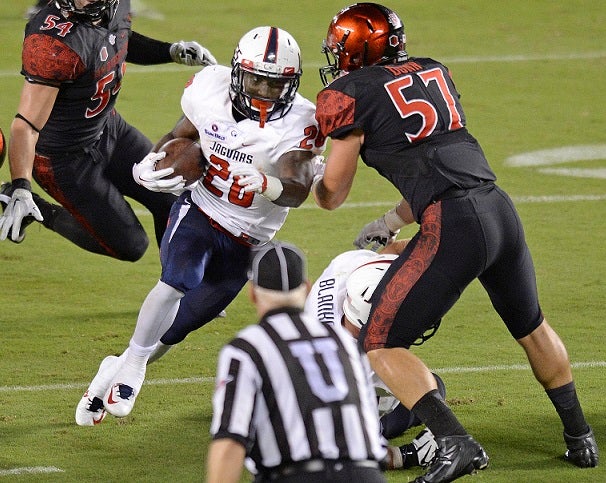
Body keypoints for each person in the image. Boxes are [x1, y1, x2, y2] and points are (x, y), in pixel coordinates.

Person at [311, 3, 598, 482]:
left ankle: (455, 442)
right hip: (497, 207)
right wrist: (390, 219)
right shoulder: (432, 71)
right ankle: (579, 437)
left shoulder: (349, 92)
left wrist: (311, 176)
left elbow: (332, 195)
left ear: (359, 51)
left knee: (379, 341)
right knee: (531, 326)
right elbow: (442, 160)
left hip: (453, 223)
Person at [74, 26, 326, 426]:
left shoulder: (301, 122)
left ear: (291, 85)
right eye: (256, 79)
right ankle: (135, 366)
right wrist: (149, 164)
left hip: (250, 236)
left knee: (178, 327)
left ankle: (115, 366)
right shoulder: (211, 90)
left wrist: (267, 183)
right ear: (237, 72)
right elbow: (179, 136)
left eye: (274, 84)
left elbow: (296, 191)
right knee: (177, 279)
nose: (262, 91)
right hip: (201, 210)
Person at [0, 0, 216, 257]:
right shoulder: (51, 42)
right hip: (63, 159)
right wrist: (21, 185)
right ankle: (36, 209)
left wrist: (168, 51)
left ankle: (174, 289)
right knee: (130, 245)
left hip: (109, 128)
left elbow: (117, 38)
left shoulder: (117, 7)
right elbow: (26, 125)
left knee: (170, 194)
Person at [207, 241, 387, 483]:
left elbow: (230, 441)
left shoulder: (248, 347)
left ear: (252, 293)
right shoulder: (343, 341)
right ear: (306, 287)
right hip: (367, 473)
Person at [304, 240, 446, 470]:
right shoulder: (356, 365)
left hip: (293, 389)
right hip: (321, 417)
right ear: (371, 325)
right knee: (432, 389)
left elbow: (396, 250)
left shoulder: (349, 269)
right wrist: (409, 454)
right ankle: (404, 448)